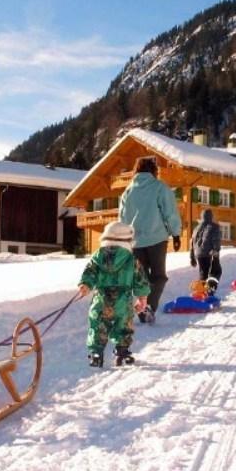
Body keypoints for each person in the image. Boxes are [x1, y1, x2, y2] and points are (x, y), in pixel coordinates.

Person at [118, 156, 182, 323]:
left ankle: (142, 308)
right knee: (159, 276)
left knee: (141, 279)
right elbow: (170, 213)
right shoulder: (159, 188)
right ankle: (149, 307)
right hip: (157, 239)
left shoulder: (128, 192)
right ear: (154, 171)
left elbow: (122, 219)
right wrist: (176, 234)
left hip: (135, 242)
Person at [78, 221, 150, 367]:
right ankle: (122, 351)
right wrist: (142, 297)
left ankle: (96, 353)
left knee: (97, 325)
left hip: (101, 299)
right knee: (124, 325)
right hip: (123, 301)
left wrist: (85, 284)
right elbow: (140, 280)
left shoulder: (98, 255)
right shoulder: (131, 259)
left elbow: (90, 271)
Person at [190, 208, 222, 293]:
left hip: (198, 254)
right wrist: (216, 251)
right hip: (209, 252)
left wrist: (192, 257)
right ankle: (208, 291)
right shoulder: (214, 226)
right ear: (211, 216)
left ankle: (201, 292)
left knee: (203, 273)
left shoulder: (196, 228)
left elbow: (192, 242)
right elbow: (216, 240)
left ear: (202, 216)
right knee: (216, 271)